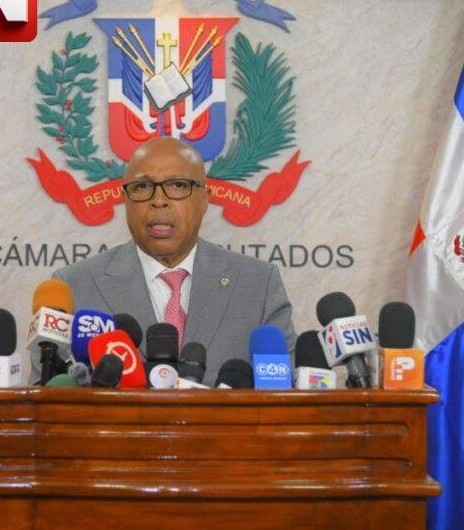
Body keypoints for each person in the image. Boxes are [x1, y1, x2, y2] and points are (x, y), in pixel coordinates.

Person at [53, 136, 295, 385]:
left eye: (178, 185)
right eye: (142, 187)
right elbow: (49, 392)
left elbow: (285, 396)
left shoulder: (259, 285)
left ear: (205, 199)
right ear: (125, 199)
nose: (159, 200)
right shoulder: (73, 287)